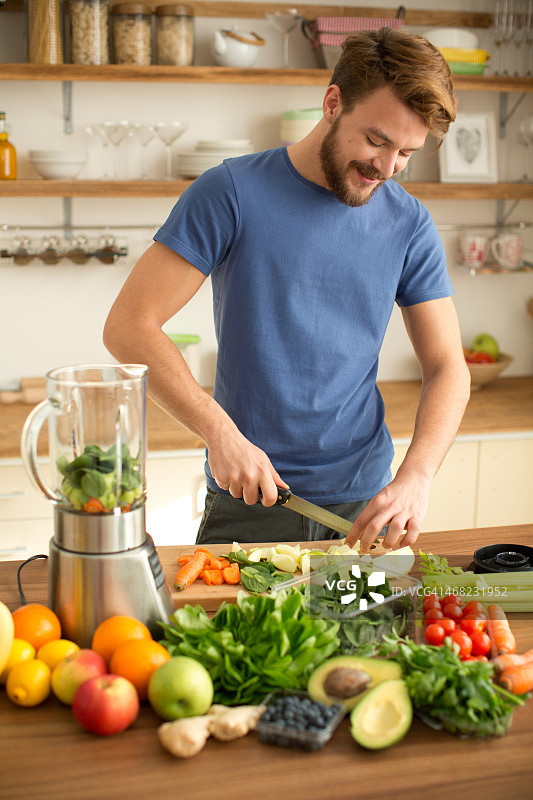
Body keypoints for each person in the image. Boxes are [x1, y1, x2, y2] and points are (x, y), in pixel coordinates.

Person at [103, 27, 470, 552]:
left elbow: (448, 368)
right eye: (376, 140)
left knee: (368, 638)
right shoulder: (229, 192)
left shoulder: (409, 222)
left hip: (365, 507)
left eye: (407, 153)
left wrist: (416, 476)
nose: (386, 168)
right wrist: (218, 433)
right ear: (332, 103)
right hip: (251, 501)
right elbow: (128, 327)